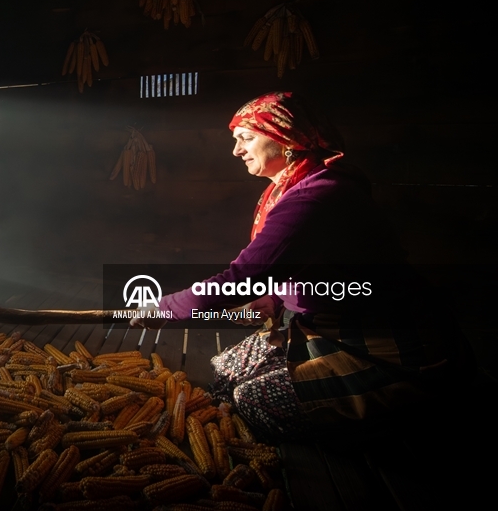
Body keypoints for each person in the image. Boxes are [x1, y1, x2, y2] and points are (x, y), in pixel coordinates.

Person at [133, 91, 470, 440]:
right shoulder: (289, 190)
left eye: (247, 138)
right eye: (236, 140)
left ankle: (406, 415)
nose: (237, 150)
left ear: (285, 139)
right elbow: (306, 266)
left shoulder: (318, 196)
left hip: (383, 339)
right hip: (321, 324)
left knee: (252, 401)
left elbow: (243, 278)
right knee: (225, 373)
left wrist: (165, 307)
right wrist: (277, 299)